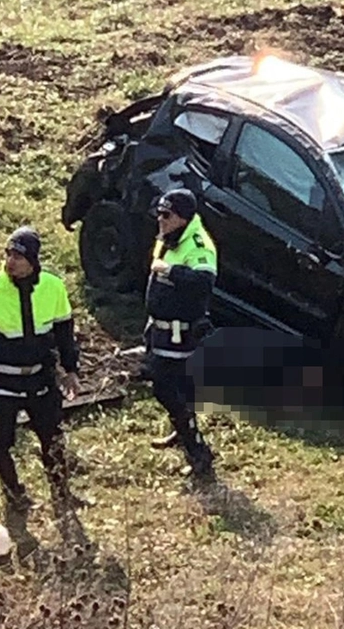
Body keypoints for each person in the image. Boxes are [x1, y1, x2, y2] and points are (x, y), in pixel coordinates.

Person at [0, 227, 85, 513]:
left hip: (40, 379)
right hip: (2, 382)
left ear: (34, 261)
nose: (11, 262)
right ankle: (15, 495)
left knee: (53, 440)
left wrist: (71, 369)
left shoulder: (53, 286)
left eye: (19, 256)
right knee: (0, 445)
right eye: (8, 254)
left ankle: (62, 494)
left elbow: (65, 332)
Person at [144, 188, 218, 483]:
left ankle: (199, 452)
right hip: (160, 329)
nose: (160, 220)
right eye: (159, 214)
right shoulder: (169, 237)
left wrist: (171, 271)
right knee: (174, 389)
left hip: (180, 334)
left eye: (166, 215)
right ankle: (182, 428)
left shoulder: (198, 245)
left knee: (166, 389)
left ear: (184, 218)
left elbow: (203, 283)